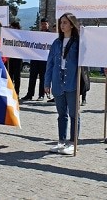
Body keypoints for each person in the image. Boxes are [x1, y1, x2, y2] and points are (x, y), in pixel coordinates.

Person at [44, 12, 80, 155]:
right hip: (58, 81)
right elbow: (50, 63)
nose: (62, 25)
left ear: (71, 24)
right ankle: (61, 141)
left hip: (72, 81)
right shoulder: (56, 43)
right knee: (61, 114)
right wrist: (47, 82)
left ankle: (73, 143)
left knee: (73, 114)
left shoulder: (78, 43)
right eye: (61, 23)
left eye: (65, 22)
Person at [22, 17, 51, 102]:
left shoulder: (51, 35)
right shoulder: (37, 34)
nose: (43, 25)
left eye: (45, 24)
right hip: (35, 59)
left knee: (43, 78)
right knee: (32, 77)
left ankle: (41, 95)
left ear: (48, 24)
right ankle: (29, 94)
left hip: (44, 60)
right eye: (42, 24)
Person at [7, 21, 23, 96]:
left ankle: (17, 92)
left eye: (12, 27)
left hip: (18, 58)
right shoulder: (9, 35)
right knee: (10, 75)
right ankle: (10, 91)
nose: (10, 28)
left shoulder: (21, 35)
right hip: (11, 58)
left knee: (17, 76)